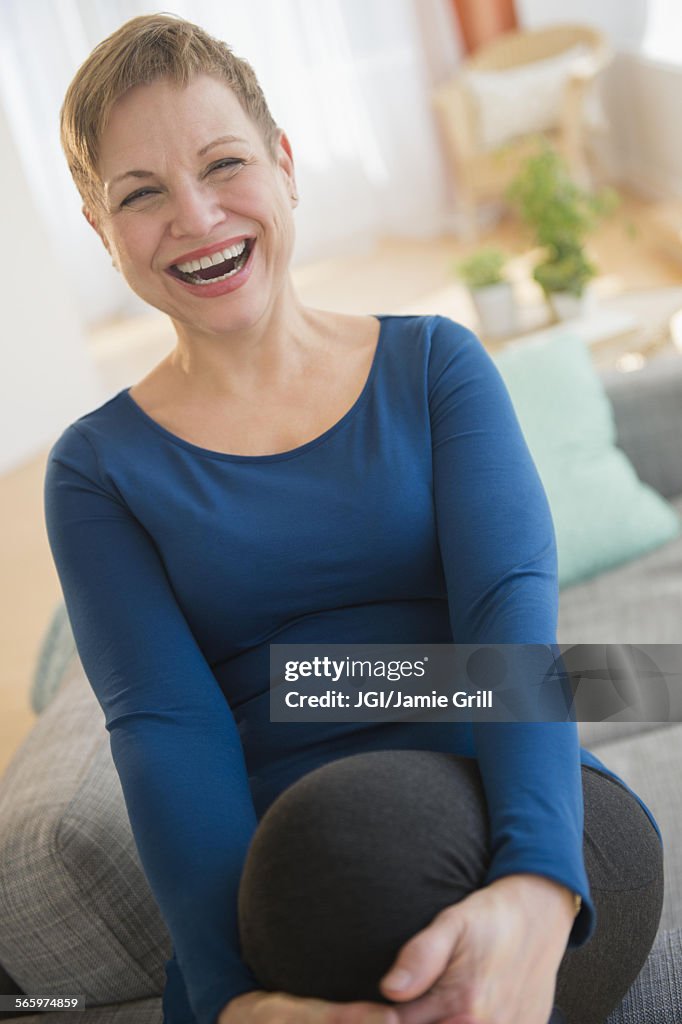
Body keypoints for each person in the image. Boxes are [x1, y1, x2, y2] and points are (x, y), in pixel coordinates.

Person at [45, 13, 663, 1024]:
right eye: (141, 193)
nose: (196, 217)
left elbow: (509, 617)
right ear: (98, 227)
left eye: (223, 164)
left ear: (285, 164)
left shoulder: (434, 365)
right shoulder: (95, 470)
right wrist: (235, 996)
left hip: (542, 830)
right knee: (332, 863)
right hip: (295, 881)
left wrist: (537, 886)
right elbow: (167, 727)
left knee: (349, 856)